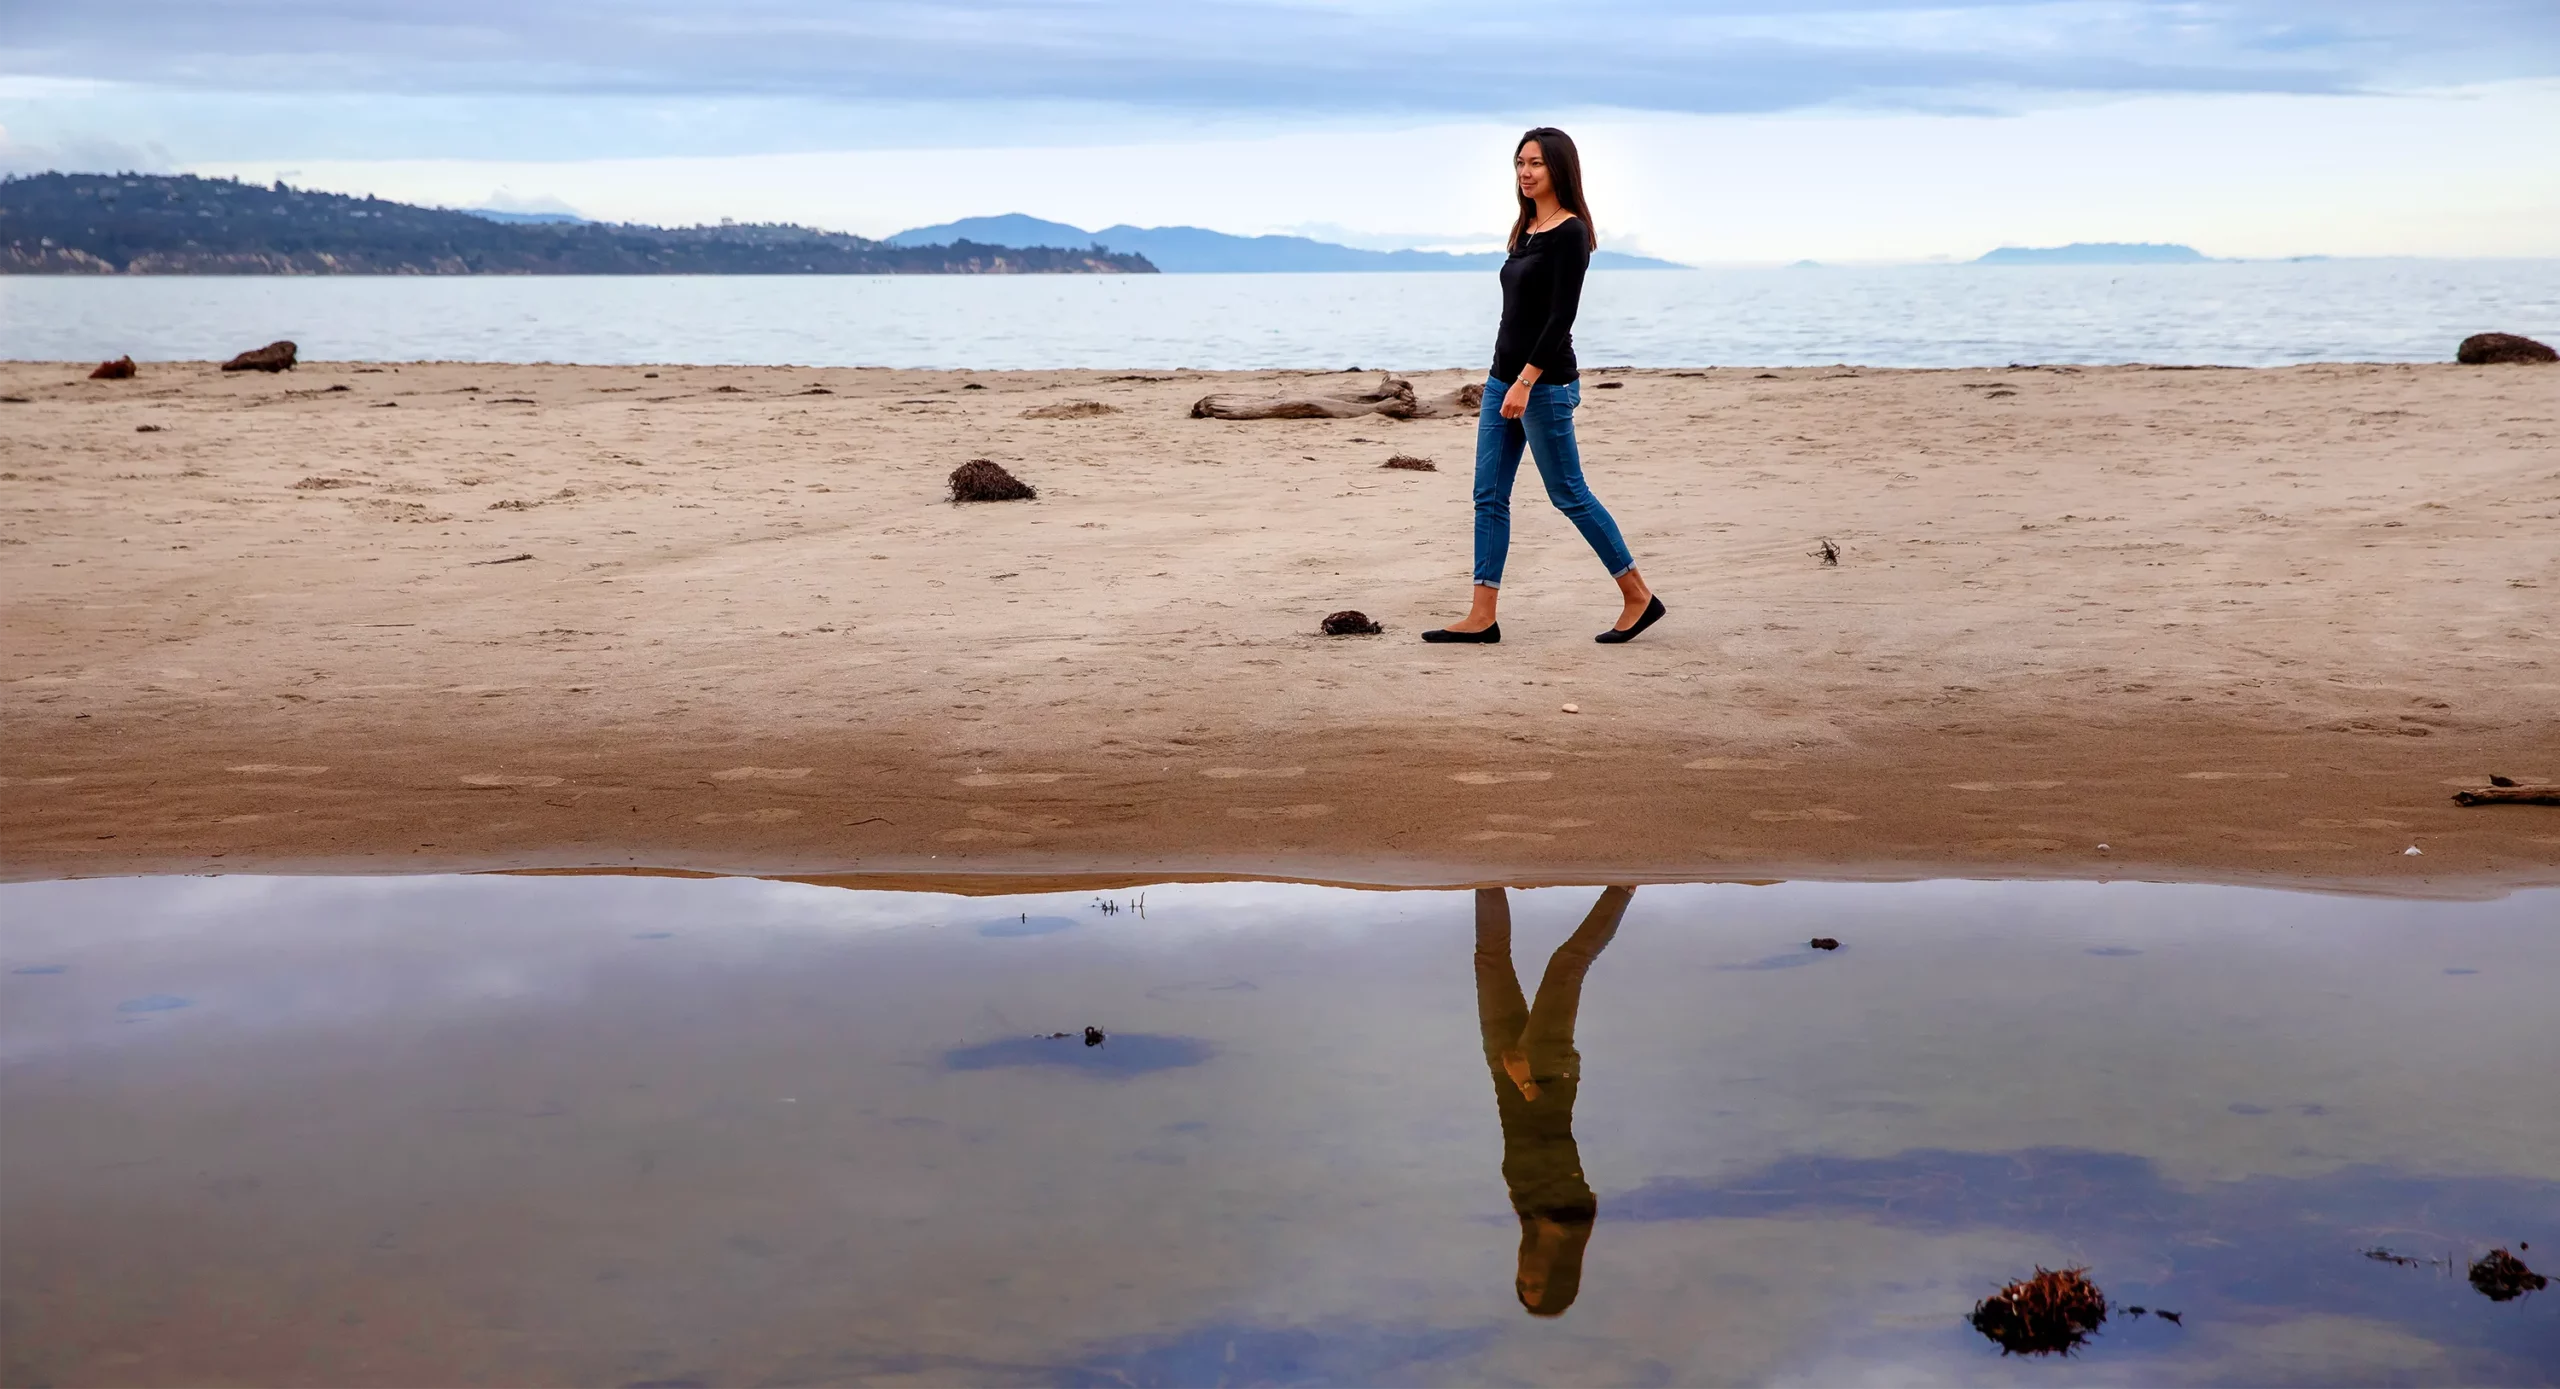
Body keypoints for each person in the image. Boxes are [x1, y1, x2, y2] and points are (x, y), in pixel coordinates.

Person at [1424, 128, 1664, 646]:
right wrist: (1503, 380)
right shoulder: (1526, 230)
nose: (1525, 172)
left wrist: (1526, 381)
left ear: (1559, 168)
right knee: (1488, 495)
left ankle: (1639, 596)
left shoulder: (1571, 232)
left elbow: (1561, 316)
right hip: (1499, 380)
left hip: (1544, 384)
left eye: (1535, 163)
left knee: (1568, 494)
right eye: (1518, 163)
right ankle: (1482, 615)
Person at [1474, 885, 1634, 1316]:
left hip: (1504, 1069)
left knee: (1490, 961)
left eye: (1522, 1281)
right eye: (1535, 1281)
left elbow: (1515, 1134)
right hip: (1543, 1071)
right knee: (1567, 965)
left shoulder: (1527, 1215)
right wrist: (1525, 1081)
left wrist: (1508, 1074)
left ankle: (1486, 878)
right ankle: (1625, 886)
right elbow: (1555, 1136)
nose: (1525, 1271)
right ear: (1559, 1275)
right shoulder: (1571, 1216)